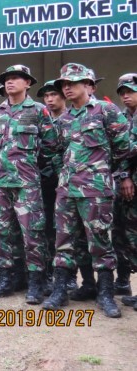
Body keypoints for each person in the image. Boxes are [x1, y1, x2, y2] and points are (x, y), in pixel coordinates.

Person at [43, 63, 131, 319]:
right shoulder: (64, 119)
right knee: (64, 242)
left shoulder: (107, 111)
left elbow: (123, 147)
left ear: (89, 85)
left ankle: (105, 293)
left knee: (101, 241)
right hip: (66, 190)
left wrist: (99, 171)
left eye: (73, 83)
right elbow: (58, 152)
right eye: (64, 84)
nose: (67, 87)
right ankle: (60, 290)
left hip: (96, 190)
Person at [0, 65, 58, 305]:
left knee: (33, 233)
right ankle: (7, 279)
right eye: (6, 79)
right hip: (1, 182)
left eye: (15, 78)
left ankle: (36, 283)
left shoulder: (39, 111)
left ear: (28, 83)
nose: (10, 82)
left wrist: (35, 171)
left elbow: (50, 145)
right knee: (0, 232)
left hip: (27, 183)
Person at [36, 80, 81, 294]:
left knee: (68, 231)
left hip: (69, 182)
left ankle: (70, 276)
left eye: (54, 95)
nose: (50, 99)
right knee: (44, 229)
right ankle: (47, 275)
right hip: (43, 183)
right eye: (46, 97)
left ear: (63, 96)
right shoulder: (40, 120)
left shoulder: (73, 119)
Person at [114, 73, 137, 309]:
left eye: (130, 91)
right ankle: (123, 281)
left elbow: (125, 149)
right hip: (125, 187)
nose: (126, 96)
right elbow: (119, 152)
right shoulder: (121, 117)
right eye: (122, 92)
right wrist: (125, 176)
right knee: (124, 235)